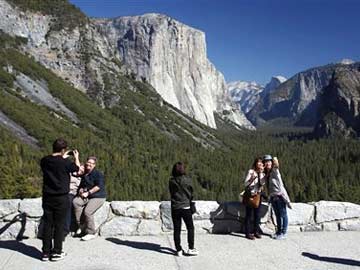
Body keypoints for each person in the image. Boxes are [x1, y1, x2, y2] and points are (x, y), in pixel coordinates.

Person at [40, 138, 80, 261]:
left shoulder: (44, 160)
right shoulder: (66, 163)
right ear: (63, 150)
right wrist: (76, 157)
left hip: (47, 196)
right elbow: (77, 169)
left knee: (48, 224)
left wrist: (63, 156)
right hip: (61, 197)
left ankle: (45, 253)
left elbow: (55, 162)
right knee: (59, 225)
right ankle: (57, 252)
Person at [73, 156, 106, 241]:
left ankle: (91, 232)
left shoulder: (98, 174)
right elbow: (82, 185)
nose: (89, 164)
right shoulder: (85, 173)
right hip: (87, 196)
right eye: (88, 162)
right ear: (86, 163)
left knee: (87, 211)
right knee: (76, 202)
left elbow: (99, 186)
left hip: (98, 196)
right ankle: (82, 225)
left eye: (92, 163)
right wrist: (81, 190)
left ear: (94, 165)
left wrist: (88, 193)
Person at [169, 162, 198, 256]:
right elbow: (191, 193)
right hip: (185, 207)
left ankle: (178, 250)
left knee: (177, 229)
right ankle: (191, 248)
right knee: (190, 228)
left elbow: (171, 193)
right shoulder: (187, 180)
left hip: (175, 207)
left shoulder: (171, 181)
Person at [263, 155, 292, 240]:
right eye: (265, 162)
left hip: (280, 196)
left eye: (269, 161)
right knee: (277, 215)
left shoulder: (274, 170)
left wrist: (274, 158)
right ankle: (278, 231)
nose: (267, 163)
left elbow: (276, 164)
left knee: (283, 215)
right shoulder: (267, 174)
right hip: (273, 196)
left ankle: (284, 232)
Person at [243, 157, 266, 240]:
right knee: (248, 215)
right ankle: (248, 233)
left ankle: (256, 231)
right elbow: (245, 183)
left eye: (261, 163)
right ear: (255, 164)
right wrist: (252, 179)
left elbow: (262, 184)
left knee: (257, 215)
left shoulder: (263, 174)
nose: (260, 164)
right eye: (258, 163)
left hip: (258, 196)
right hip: (250, 195)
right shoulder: (251, 172)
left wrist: (260, 174)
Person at [64, 164, 84, 237]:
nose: (81, 171)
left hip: (72, 194)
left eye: (83, 170)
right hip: (64, 191)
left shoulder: (82, 178)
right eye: (80, 168)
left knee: (68, 204)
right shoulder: (69, 173)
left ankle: (65, 229)